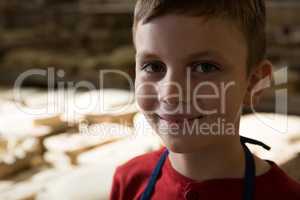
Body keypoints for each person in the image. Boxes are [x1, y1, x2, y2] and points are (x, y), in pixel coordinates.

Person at [110, 0, 300, 199]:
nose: (170, 94)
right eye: (153, 67)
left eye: (204, 67)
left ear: (253, 83)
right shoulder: (129, 181)